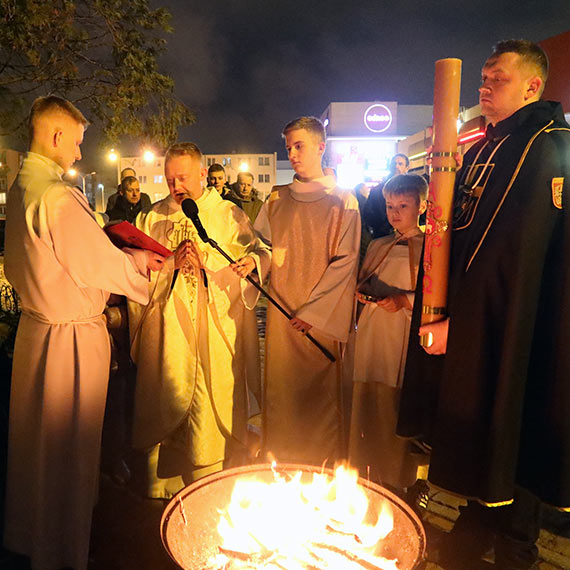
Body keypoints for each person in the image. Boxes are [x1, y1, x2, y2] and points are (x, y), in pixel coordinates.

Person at [398, 40, 570, 570]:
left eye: (496, 79)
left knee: (514, 411)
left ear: (533, 86)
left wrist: (461, 321)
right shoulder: (483, 147)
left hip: (519, 318)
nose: (483, 88)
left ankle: (517, 541)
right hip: (476, 313)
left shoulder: (547, 146)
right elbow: (462, 233)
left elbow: (511, 252)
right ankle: (480, 512)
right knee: (479, 419)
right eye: (482, 79)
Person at [3, 96, 164, 570]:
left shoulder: (22, 186)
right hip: (69, 342)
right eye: (75, 142)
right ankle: (64, 551)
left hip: (37, 334)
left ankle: (35, 539)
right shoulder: (56, 194)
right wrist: (140, 265)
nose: (77, 154)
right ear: (55, 136)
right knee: (69, 453)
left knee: (39, 451)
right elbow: (98, 265)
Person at [127, 142, 270, 498]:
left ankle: (211, 483)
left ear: (203, 174)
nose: (176, 186)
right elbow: (134, 278)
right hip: (169, 334)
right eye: (170, 178)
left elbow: (258, 253)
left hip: (214, 330)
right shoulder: (151, 218)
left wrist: (251, 264)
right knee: (168, 394)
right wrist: (169, 265)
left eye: (183, 178)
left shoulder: (228, 214)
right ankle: (164, 491)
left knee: (210, 401)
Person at [254, 116, 360, 467]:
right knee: (282, 394)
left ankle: (321, 467)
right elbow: (264, 248)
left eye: (299, 146)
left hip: (318, 322)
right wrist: (254, 264)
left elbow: (345, 263)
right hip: (282, 315)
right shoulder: (276, 199)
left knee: (319, 399)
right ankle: (280, 465)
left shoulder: (343, 202)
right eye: (289, 148)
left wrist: (314, 314)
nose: (293, 154)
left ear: (320, 147)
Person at [348, 174, 427, 492]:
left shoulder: (430, 248)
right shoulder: (379, 245)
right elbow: (364, 279)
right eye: (390, 206)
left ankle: (401, 480)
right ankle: (366, 470)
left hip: (402, 335)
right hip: (372, 333)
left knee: (394, 405)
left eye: (403, 206)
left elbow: (432, 295)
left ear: (422, 206)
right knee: (368, 400)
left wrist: (404, 300)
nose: (395, 213)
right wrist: (362, 292)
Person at [363, 153, 409, 239]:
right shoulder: (377, 190)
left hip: (406, 236)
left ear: (407, 168)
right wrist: (381, 227)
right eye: (394, 164)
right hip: (383, 235)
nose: (396, 166)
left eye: (400, 164)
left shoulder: (412, 190)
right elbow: (368, 213)